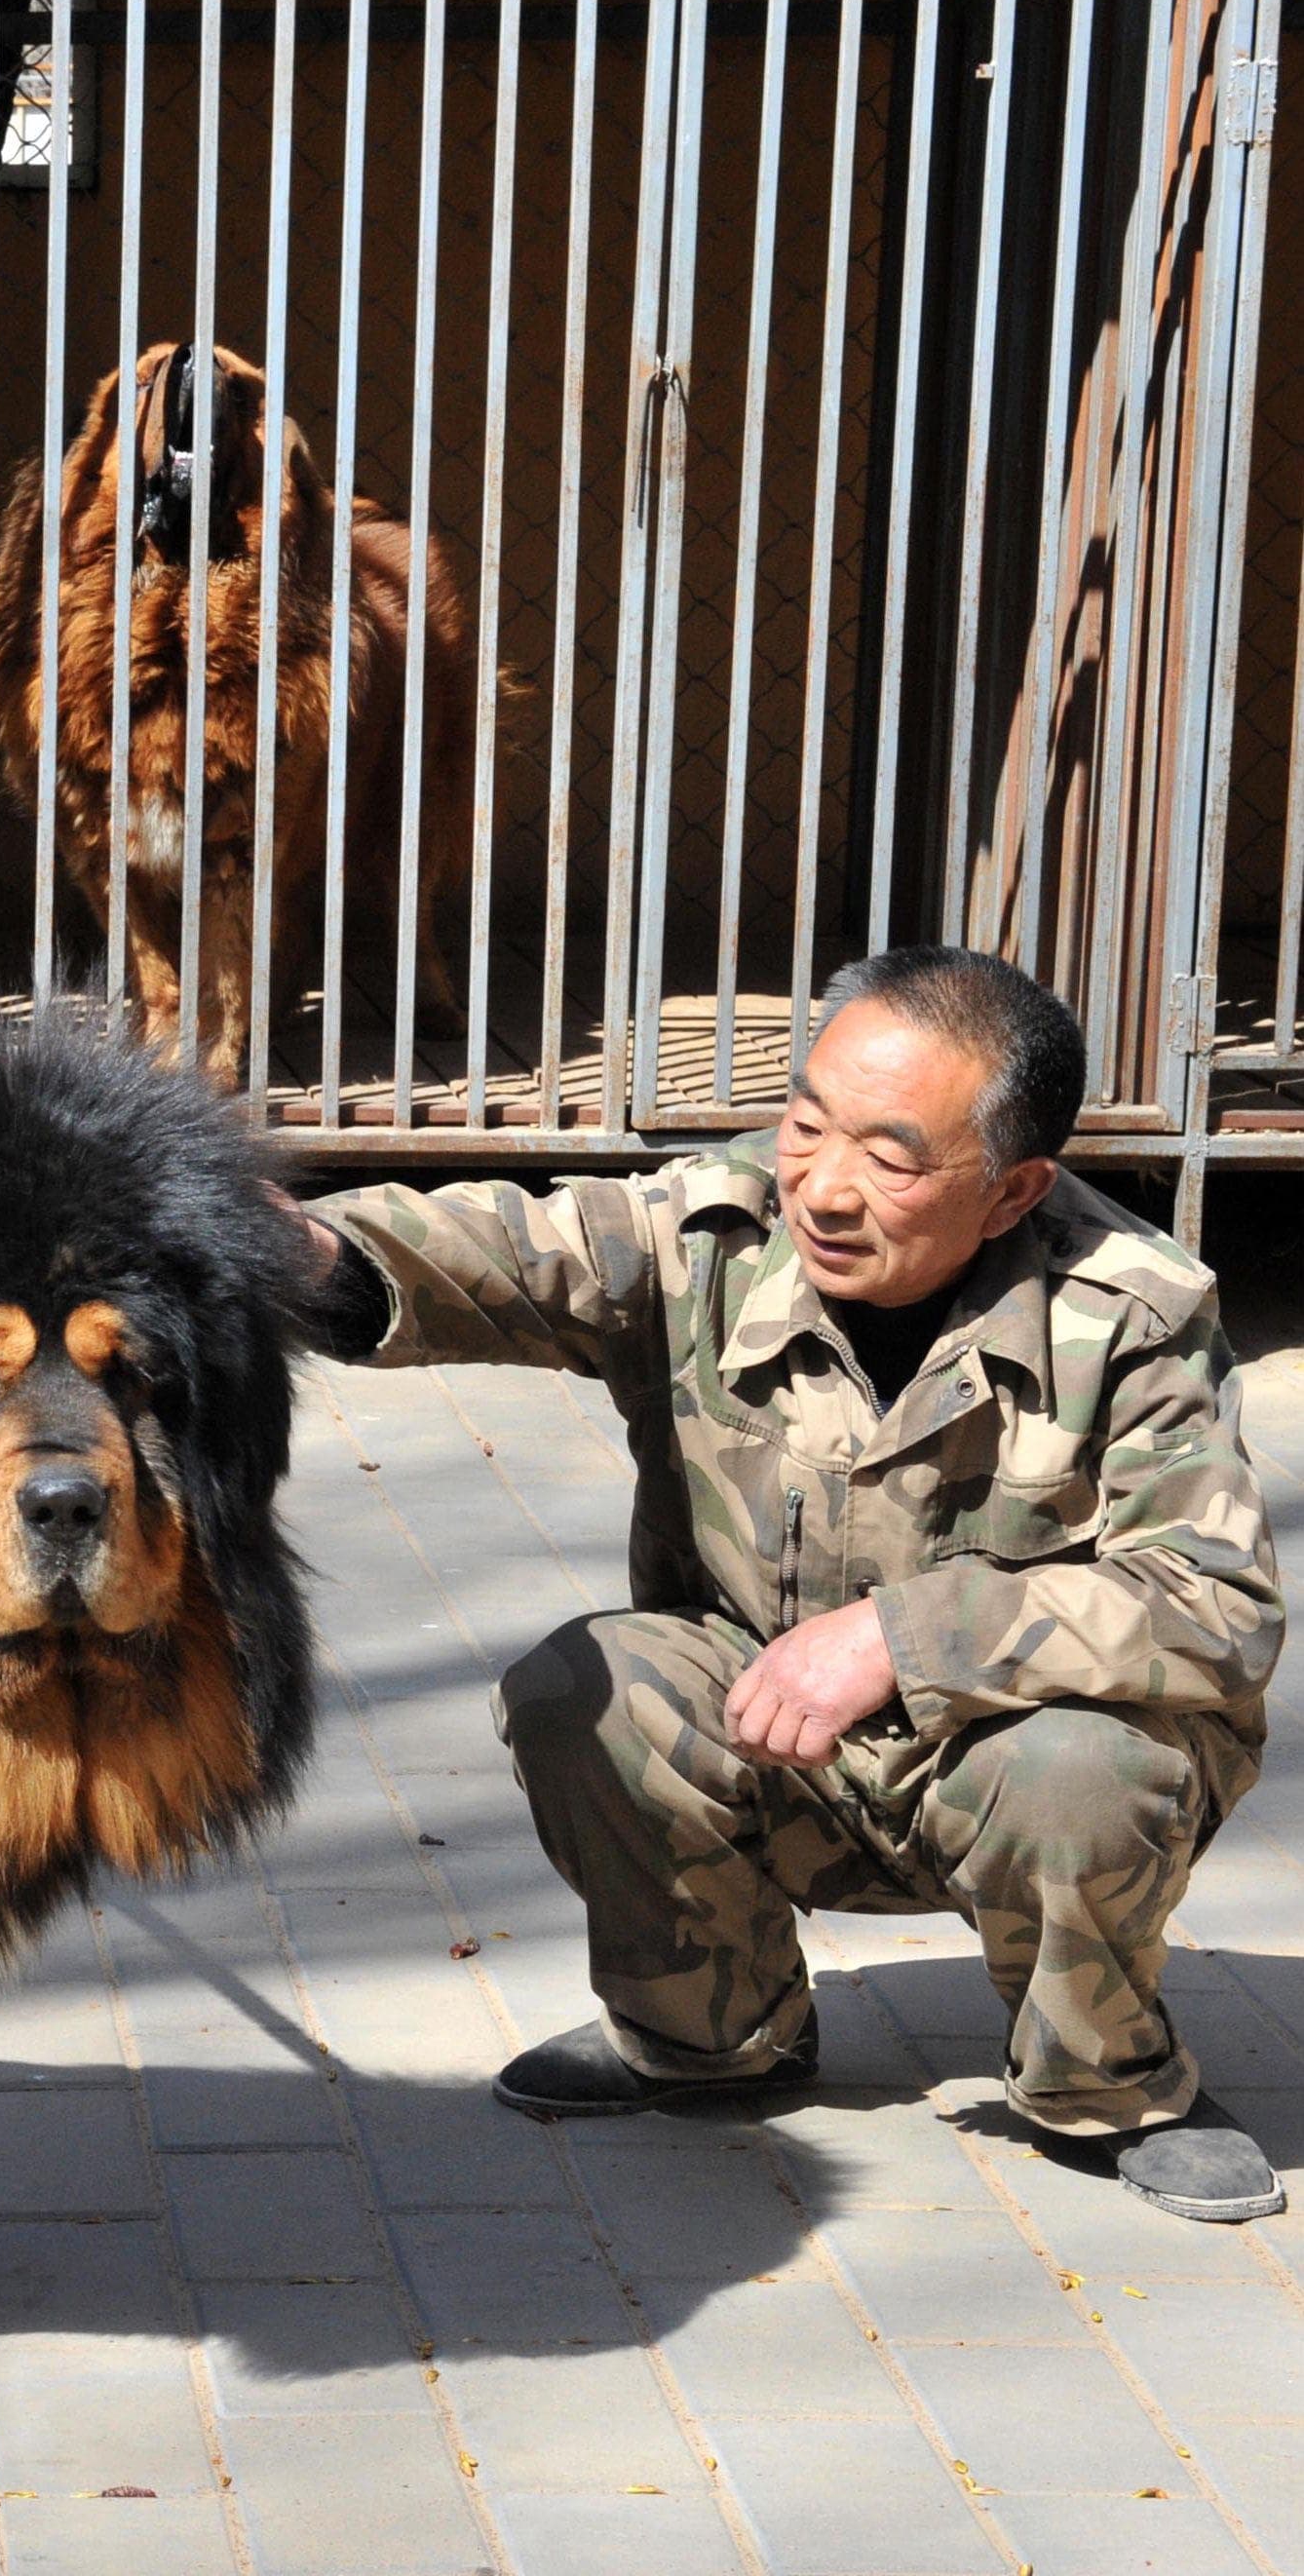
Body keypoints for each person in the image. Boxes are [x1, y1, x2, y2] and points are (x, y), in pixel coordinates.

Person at [295, 946, 1285, 2222]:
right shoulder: (707, 1230)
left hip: (996, 1759)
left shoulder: (1135, 1311)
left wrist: (897, 1636)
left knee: (1083, 1773)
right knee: (580, 1691)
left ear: (1010, 1190)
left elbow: (1215, 1603)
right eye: (803, 1124)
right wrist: (309, 1250)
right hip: (766, 1731)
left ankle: (1106, 2085)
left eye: (887, 1155)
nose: (819, 1185)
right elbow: (511, 1250)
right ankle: (705, 2038)